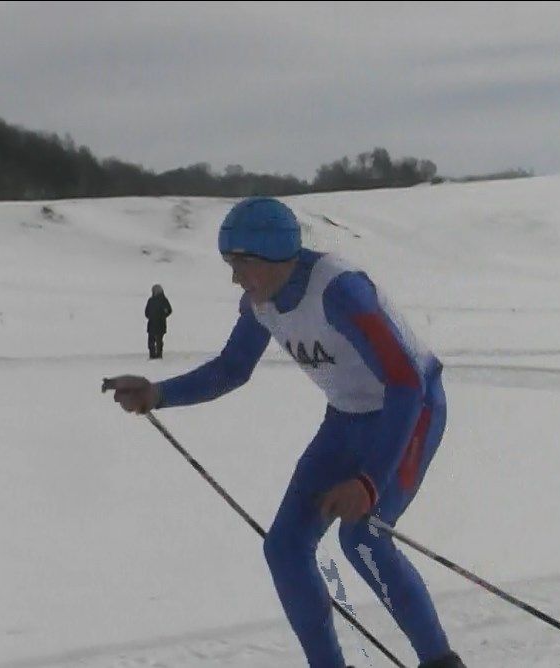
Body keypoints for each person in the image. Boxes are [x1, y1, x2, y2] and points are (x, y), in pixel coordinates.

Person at [104, 197, 465, 668]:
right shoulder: (261, 303)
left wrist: (370, 482)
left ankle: (440, 662)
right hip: (346, 419)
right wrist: (158, 394)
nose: (235, 278)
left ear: (274, 258)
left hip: (410, 413)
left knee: (362, 539)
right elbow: (233, 367)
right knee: (285, 548)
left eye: (241, 265)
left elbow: (406, 383)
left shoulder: (340, 291)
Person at [145, 284, 173, 359]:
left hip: (160, 324)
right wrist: (150, 316)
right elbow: (147, 312)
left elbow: (169, 310)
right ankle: (152, 355)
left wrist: (163, 315)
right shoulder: (151, 300)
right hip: (152, 324)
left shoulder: (163, 300)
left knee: (158, 341)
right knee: (151, 341)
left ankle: (158, 354)